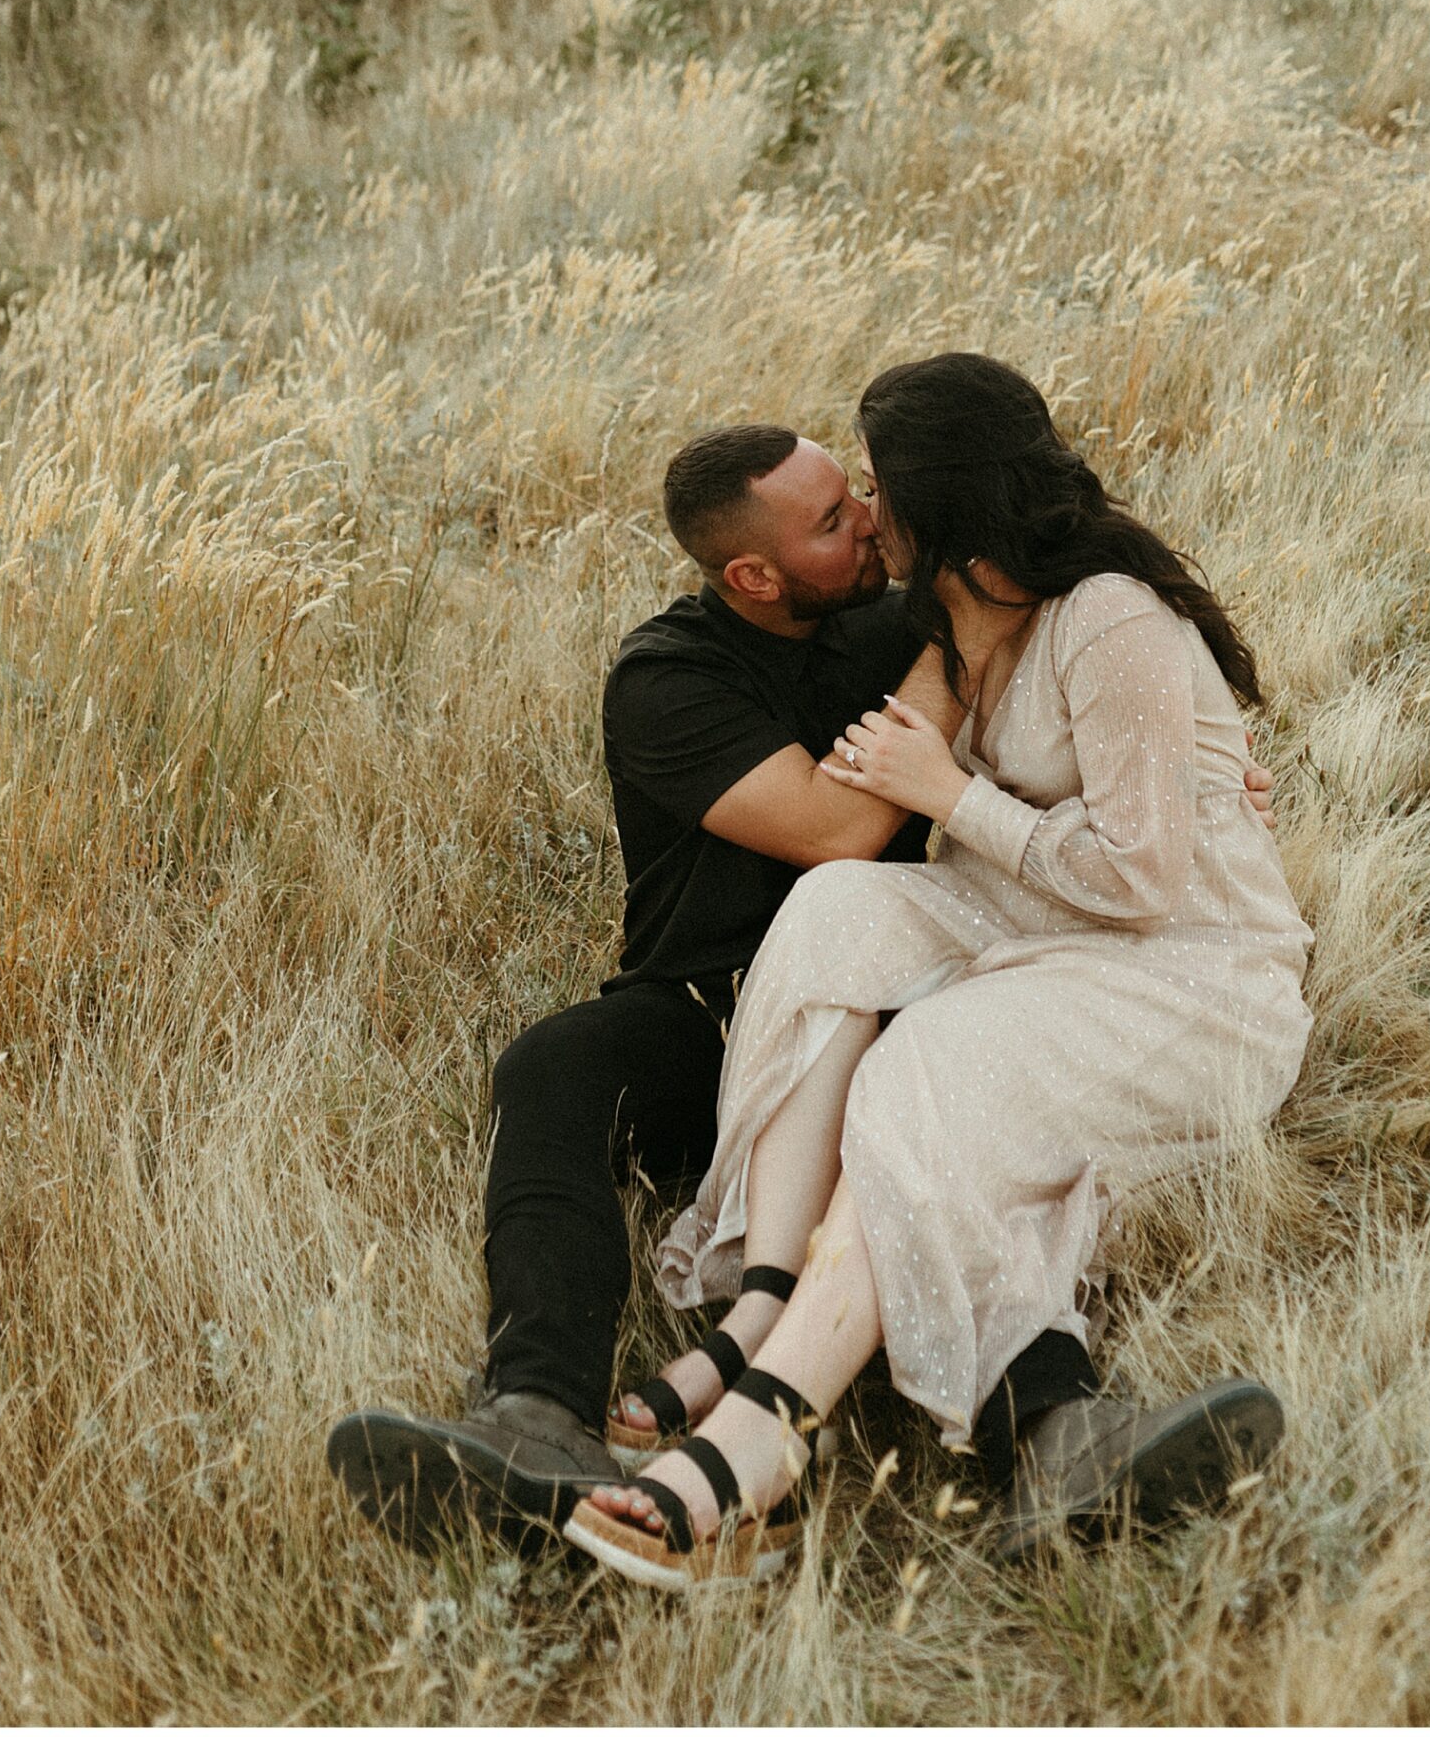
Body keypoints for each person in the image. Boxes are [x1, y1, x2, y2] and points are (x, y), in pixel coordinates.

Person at [326, 414, 1276, 1555]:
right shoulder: (671, 675)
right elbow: (837, 828)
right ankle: (537, 1413)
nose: (867, 523)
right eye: (834, 520)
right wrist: (942, 634)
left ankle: (1003, 1405)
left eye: (864, 498)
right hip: (711, 1005)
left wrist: (1194, 777)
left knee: (937, 1086)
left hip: (910, 981)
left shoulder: (892, 610)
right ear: (754, 575)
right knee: (553, 1068)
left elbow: (1094, 707)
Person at [566, 354, 1314, 1586]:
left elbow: (1144, 882)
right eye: (843, 497)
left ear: (940, 501)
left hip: (1192, 976)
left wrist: (954, 793)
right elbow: (862, 820)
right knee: (837, 909)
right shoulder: (953, 618)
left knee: (921, 1066)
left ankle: (766, 1433)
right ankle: (766, 1289)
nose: (862, 511)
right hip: (1039, 929)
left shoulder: (1106, 615)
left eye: (872, 486)